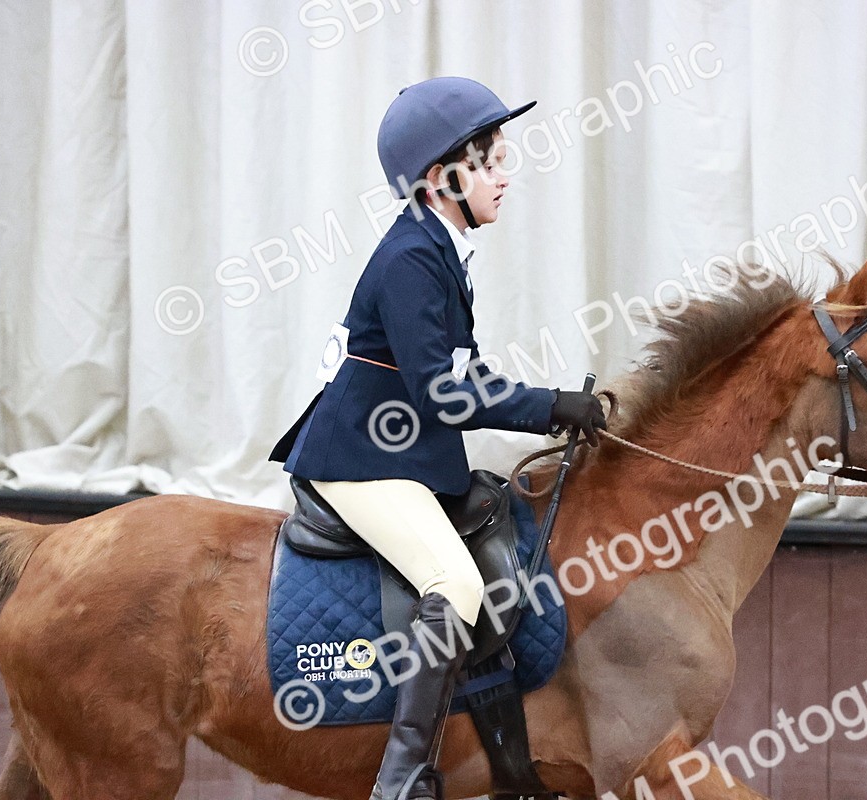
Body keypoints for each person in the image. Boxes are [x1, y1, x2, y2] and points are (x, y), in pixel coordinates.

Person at [268, 76, 606, 800]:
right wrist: (550, 407)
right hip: (360, 460)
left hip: (403, 453)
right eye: (490, 160)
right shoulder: (413, 260)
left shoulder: (439, 246)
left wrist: (554, 405)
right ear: (442, 177)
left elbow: (462, 368)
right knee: (452, 584)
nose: (505, 175)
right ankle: (401, 781)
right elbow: (443, 393)